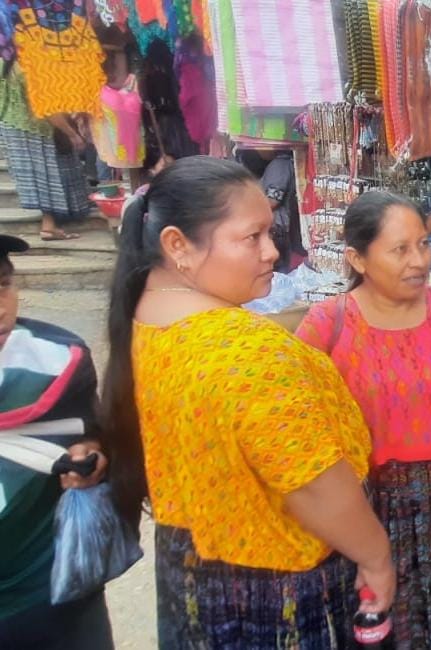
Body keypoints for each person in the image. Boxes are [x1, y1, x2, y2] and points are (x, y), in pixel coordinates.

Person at [99, 156, 396, 648]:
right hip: (274, 582)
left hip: (194, 569)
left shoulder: (144, 318)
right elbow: (315, 485)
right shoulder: (247, 350)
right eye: (251, 237)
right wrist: (376, 556)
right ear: (178, 246)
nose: (272, 253)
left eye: (270, 233)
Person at [296, 191, 431, 649]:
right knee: (390, 628)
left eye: (423, 244)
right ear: (357, 257)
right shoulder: (325, 325)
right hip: (372, 509)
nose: (418, 260)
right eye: (399, 250)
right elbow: (301, 424)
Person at [0, 235, 113, 650]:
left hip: (51, 585)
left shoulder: (58, 360)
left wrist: (93, 458)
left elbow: (91, 434)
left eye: (3, 285)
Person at [0, 65, 93, 241]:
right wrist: (72, 134)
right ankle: (49, 226)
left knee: (39, 176)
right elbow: (48, 108)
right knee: (48, 174)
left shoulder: (5, 63)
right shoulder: (33, 66)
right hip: (36, 127)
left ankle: (50, 223)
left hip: (11, 124)